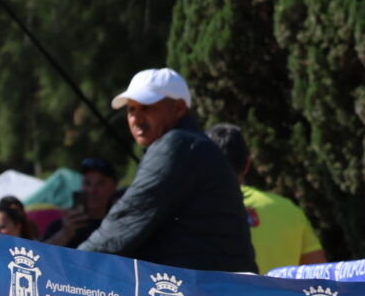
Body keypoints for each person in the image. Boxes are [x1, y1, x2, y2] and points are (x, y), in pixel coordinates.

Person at [76, 68, 256, 273]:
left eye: (146, 107)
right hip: (219, 285)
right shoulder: (194, 145)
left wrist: (68, 268)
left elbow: (124, 223)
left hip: (205, 288)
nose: (136, 118)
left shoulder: (177, 145)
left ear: (179, 108)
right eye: (131, 110)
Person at [203, 123, 327, 273]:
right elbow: (318, 274)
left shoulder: (195, 212)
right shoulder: (289, 210)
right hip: (280, 289)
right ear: (247, 164)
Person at [52, 157, 121, 248]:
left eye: (100, 184)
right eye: (87, 183)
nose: (92, 190)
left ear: (114, 187)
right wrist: (64, 235)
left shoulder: (120, 224)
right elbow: (38, 253)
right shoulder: (64, 225)